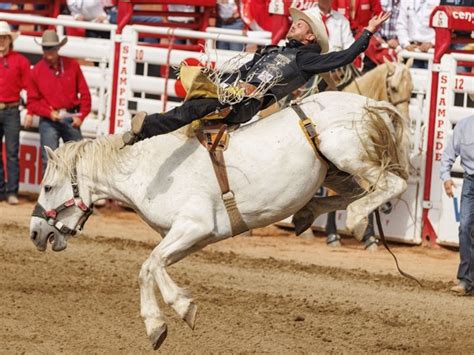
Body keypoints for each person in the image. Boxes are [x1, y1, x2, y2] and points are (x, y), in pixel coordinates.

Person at [122, 9, 390, 146]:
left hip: (246, 104)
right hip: (232, 93)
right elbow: (243, 71)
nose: (294, 23)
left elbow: (342, 58)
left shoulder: (306, 60)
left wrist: (366, 32)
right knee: (196, 90)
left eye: (300, 24)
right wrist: (222, 82)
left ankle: (146, 129)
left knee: (197, 107)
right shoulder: (275, 50)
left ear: (310, 37)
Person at [28, 30, 91, 173]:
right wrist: (49, 113)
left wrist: (81, 116)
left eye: (52, 47)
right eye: (46, 48)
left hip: (70, 116)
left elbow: (85, 94)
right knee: (50, 161)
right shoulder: (36, 71)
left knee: (79, 158)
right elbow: (32, 102)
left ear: (58, 47)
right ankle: (50, 194)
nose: (49, 51)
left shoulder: (72, 65)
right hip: (49, 119)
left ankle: (77, 193)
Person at [440, 115, 474, 296]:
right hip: (470, 183)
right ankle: (465, 280)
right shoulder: (464, 125)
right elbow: (448, 154)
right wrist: (446, 177)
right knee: (465, 228)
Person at [0, 21, 30, 205]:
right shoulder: (20, 61)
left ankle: (11, 191)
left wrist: (27, 109)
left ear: (10, 40)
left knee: (12, 152)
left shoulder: (20, 61)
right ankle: (2, 191)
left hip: (12, 109)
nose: (1, 41)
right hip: (7, 109)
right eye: (0, 38)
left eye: (4, 38)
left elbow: (27, 88)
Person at [396, 0, 440, 68]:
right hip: (412, 51)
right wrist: (405, 44)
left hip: (432, 51)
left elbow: (444, 27)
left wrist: (432, 43)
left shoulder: (438, 1)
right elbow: (401, 24)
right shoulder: (405, 1)